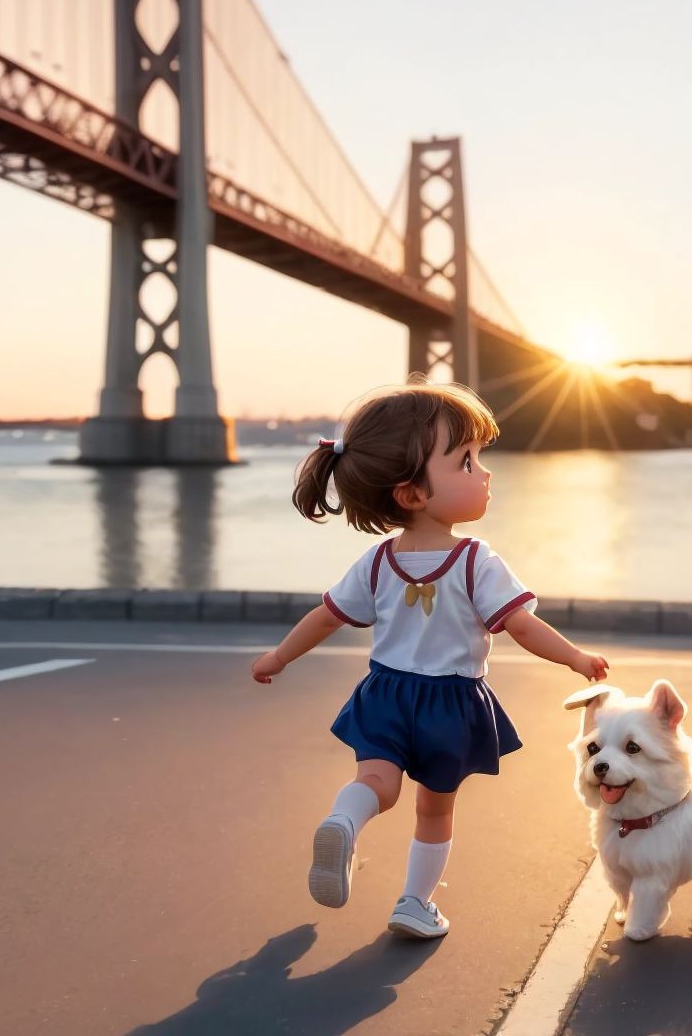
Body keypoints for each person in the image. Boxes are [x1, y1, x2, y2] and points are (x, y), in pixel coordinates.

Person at [250, 379, 609, 939]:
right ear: (413, 495)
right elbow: (521, 625)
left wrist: (278, 656)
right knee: (434, 811)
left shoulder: (377, 562)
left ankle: (345, 818)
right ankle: (414, 903)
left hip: (385, 695)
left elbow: (327, 617)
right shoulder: (475, 561)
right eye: (466, 462)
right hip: (450, 702)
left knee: (376, 779)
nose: (484, 472)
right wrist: (575, 657)